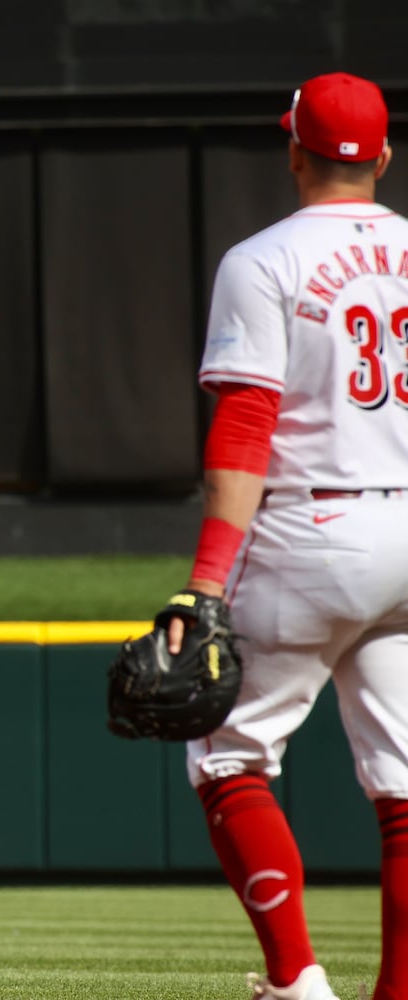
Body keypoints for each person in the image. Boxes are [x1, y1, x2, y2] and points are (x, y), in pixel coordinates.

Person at [164, 72, 408, 1000]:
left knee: (228, 756)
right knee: (398, 784)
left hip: (315, 524)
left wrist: (205, 584)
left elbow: (241, 433)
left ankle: (294, 981)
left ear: (294, 151)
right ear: (383, 157)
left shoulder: (262, 259)